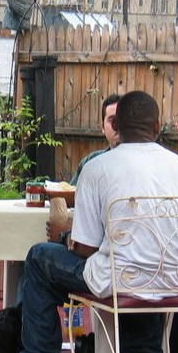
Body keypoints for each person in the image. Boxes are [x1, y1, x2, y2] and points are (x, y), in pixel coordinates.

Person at [18, 91, 178, 353]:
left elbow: (85, 248)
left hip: (119, 280)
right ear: (157, 126)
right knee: (143, 265)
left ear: (117, 127)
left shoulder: (98, 167)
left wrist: (66, 240)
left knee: (39, 258)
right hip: (172, 278)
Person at [46, 93, 121, 244]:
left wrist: (65, 234)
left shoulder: (140, 166)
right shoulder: (90, 163)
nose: (117, 126)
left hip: (101, 252)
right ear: (102, 128)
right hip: (89, 243)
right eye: (112, 120)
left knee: (38, 253)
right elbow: (72, 197)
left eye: (122, 120)